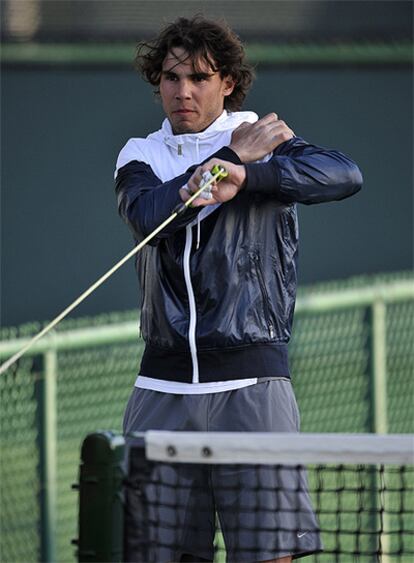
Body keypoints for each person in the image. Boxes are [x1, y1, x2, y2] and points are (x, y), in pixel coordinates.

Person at [115, 16, 362, 563]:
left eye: (199, 77)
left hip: (252, 383)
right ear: (158, 82)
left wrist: (250, 175)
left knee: (268, 553)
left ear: (227, 83)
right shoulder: (139, 155)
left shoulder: (263, 137)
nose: (184, 91)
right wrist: (228, 161)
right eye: (172, 78)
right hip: (163, 388)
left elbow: (345, 174)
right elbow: (150, 216)